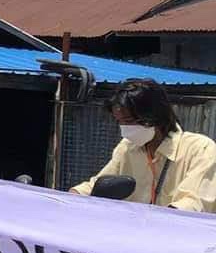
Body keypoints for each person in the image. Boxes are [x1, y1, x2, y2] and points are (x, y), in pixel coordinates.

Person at [72, 78, 216, 212]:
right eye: (119, 122)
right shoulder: (127, 147)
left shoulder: (200, 149)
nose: (124, 128)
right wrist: (72, 197)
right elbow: (99, 185)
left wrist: (156, 224)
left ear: (154, 116)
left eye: (128, 121)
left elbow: (194, 204)